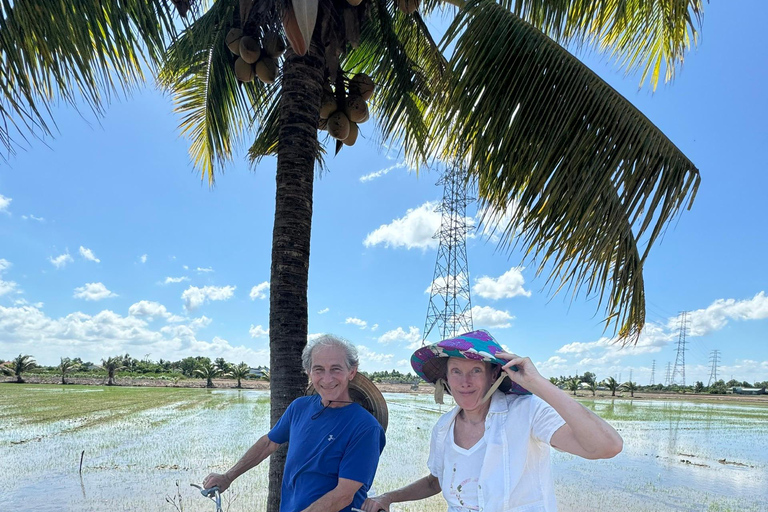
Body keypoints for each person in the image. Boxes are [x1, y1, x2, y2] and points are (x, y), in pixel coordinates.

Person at [362, 329, 622, 512]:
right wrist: (389, 497)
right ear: (446, 379)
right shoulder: (443, 427)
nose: (465, 382)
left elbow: (606, 446)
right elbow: (436, 481)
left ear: (494, 375)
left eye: (476, 370)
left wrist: (537, 383)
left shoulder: (527, 412)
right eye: (456, 371)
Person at [203, 334, 386, 512]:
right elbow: (268, 443)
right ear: (309, 372)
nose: (327, 378)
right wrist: (228, 476)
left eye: (336, 369)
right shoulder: (299, 407)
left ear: (351, 371)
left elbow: (343, 495)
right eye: (319, 369)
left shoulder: (366, 428)